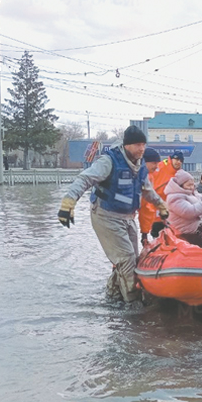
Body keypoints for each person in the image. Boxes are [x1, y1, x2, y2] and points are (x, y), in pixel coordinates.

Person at [57, 126, 169, 303]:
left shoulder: (140, 166)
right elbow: (85, 178)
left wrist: (161, 206)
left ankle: (113, 296)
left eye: (143, 145)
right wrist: (68, 203)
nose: (142, 149)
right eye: (137, 144)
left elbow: (147, 190)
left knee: (132, 259)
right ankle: (133, 303)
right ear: (126, 145)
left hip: (127, 217)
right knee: (126, 258)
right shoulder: (109, 161)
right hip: (105, 215)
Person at [164, 170, 202, 245]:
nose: (191, 187)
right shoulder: (174, 198)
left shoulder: (192, 193)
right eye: (189, 185)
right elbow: (189, 211)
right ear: (180, 185)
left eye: (192, 185)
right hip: (190, 232)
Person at [139, 150, 184, 240]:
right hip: (154, 202)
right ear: (171, 159)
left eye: (181, 160)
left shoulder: (180, 174)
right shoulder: (159, 167)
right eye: (176, 159)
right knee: (156, 226)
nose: (178, 162)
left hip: (167, 205)